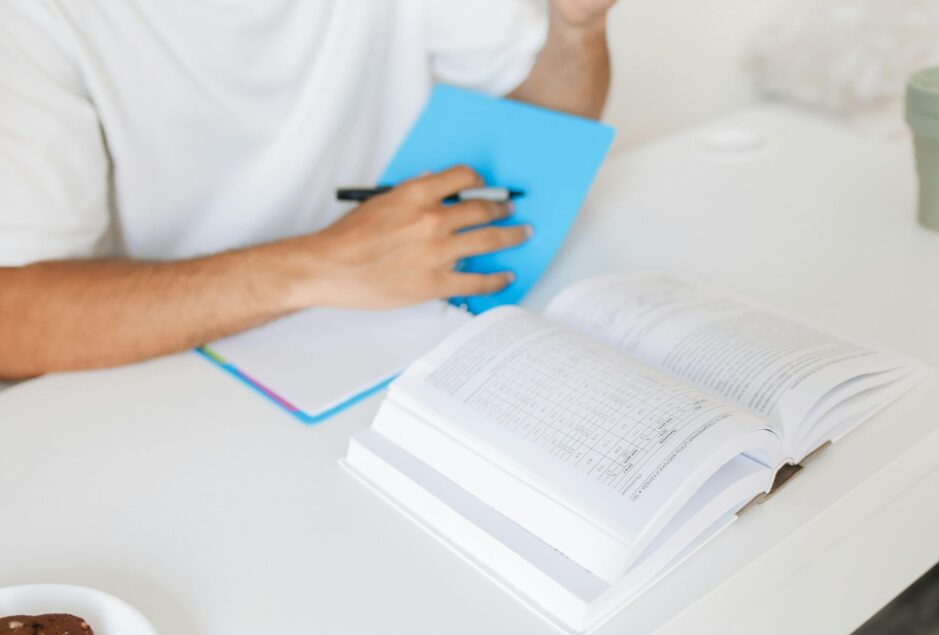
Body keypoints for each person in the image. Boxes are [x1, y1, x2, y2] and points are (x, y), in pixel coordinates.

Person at [0, 0, 616, 380]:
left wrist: (575, 28)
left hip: (385, 338)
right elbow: (13, 322)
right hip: (166, 367)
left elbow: (543, 124)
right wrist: (316, 266)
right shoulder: (33, 16)